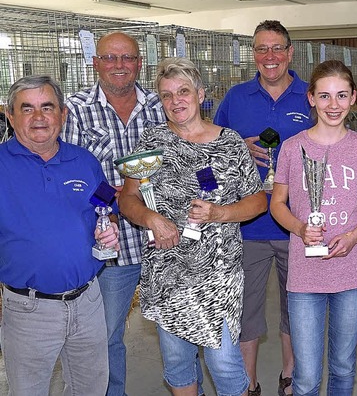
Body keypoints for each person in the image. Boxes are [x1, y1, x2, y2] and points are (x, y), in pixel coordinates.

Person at [118, 57, 267, 396]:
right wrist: (151, 218)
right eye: (167, 95)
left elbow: (257, 202)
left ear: (201, 94)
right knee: (178, 362)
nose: (176, 101)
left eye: (183, 91)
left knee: (225, 364)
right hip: (169, 271)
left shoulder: (230, 143)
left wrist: (220, 214)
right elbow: (127, 199)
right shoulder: (151, 143)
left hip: (218, 272)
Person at [0, 75, 119, 396]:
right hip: (29, 310)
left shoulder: (84, 161)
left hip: (89, 302)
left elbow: (107, 202)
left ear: (63, 114)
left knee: (90, 389)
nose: (39, 117)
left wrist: (111, 227)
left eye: (47, 107)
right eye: (27, 109)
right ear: (10, 116)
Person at [62, 31, 167, 396]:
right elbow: (69, 176)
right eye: (110, 58)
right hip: (111, 246)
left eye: (128, 58)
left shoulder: (162, 105)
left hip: (163, 240)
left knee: (179, 326)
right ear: (95, 63)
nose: (119, 65)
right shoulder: (75, 109)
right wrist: (117, 197)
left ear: (140, 63)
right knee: (105, 335)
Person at [270, 59, 357, 395]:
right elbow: (277, 204)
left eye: (341, 96)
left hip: (351, 272)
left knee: (343, 368)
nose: (333, 105)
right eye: (324, 96)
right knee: (304, 376)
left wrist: (353, 237)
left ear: (353, 99)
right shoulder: (292, 148)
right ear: (311, 99)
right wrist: (301, 228)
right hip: (305, 275)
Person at [214, 20, 312, 396]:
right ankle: (247, 384)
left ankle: (289, 376)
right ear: (253, 54)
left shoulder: (311, 95)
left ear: (290, 52)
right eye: (261, 49)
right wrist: (239, 145)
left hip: (299, 226)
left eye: (276, 49)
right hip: (247, 225)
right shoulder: (236, 98)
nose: (269, 57)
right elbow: (214, 148)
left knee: (296, 308)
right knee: (245, 309)